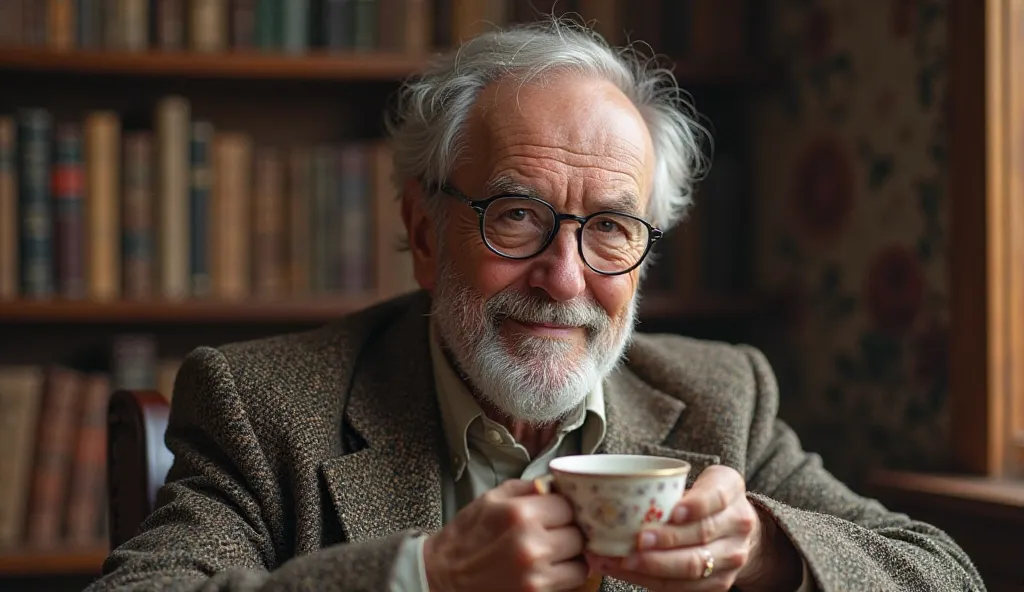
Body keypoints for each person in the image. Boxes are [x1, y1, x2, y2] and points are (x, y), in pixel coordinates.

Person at [86, 19, 984, 592]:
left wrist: (765, 552)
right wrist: (423, 576)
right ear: (426, 229)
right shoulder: (266, 405)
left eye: (610, 230)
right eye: (517, 217)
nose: (563, 277)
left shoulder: (721, 396)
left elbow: (942, 575)